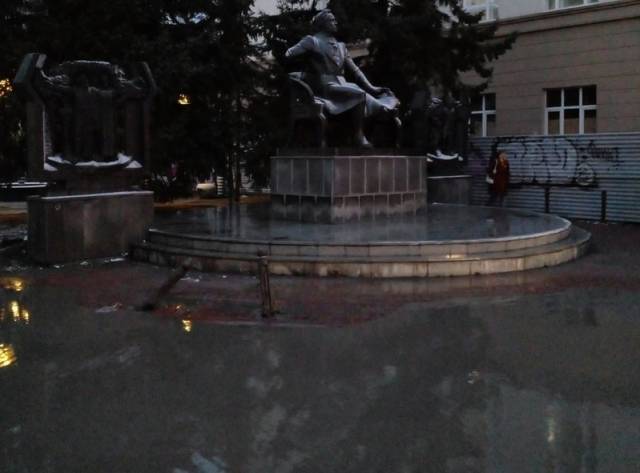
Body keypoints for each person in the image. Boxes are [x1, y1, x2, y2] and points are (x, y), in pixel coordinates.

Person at [285, 9, 399, 148]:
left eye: (334, 20)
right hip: (324, 87)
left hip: (341, 85)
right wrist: (305, 56)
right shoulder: (312, 41)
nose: (335, 22)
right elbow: (289, 54)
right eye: (331, 20)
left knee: (371, 98)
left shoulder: (341, 46)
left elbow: (356, 71)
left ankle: (376, 127)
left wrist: (372, 88)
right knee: (359, 94)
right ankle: (358, 135)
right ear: (322, 23)